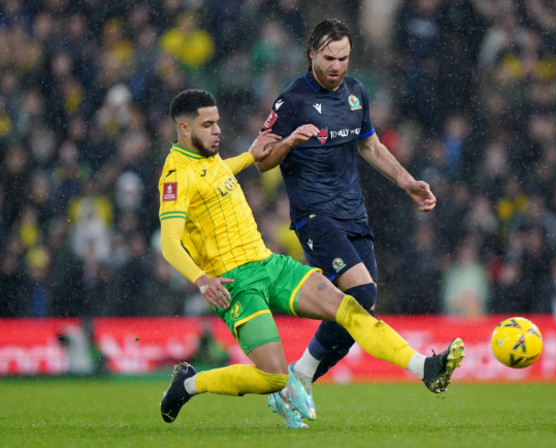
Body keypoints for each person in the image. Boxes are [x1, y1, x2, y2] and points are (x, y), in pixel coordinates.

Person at [158, 88, 464, 429]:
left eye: (217, 122)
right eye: (208, 124)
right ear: (184, 128)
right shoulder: (175, 177)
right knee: (272, 378)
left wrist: (248, 157)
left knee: (350, 307)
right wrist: (202, 280)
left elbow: (213, 177)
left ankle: (425, 368)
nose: (217, 130)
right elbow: (169, 242)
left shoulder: (207, 160)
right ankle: (188, 383)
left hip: (269, 263)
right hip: (235, 283)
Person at [257, 19, 438, 420]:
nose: (337, 66)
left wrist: (407, 182)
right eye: (329, 58)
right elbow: (262, 162)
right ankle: (303, 376)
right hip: (315, 216)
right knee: (363, 297)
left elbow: (369, 145)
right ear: (311, 54)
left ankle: (299, 378)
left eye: (343, 58)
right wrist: (288, 142)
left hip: (354, 214)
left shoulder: (356, 93)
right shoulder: (292, 102)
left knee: (363, 303)